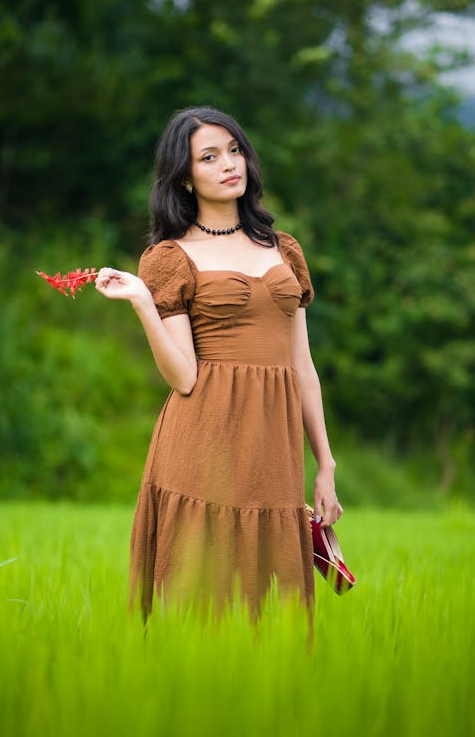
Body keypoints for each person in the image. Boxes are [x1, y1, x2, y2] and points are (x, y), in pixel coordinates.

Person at [95, 106, 342, 621]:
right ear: (185, 178)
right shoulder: (169, 257)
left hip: (273, 446)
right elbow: (183, 376)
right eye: (209, 157)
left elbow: (303, 367)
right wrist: (144, 302)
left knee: (274, 616)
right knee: (199, 605)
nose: (230, 164)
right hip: (202, 437)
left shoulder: (284, 250)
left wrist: (326, 463)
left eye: (234, 151)